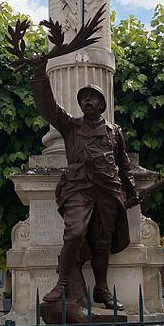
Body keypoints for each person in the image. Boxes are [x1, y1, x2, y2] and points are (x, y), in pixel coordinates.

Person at [31, 58, 140, 309]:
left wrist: (132, 191)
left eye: (93, 97)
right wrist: (40, 74)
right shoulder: (70, 126)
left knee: (103, 243)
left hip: (108, 190)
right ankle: (63, 283)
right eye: (84, 98)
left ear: (102, 104)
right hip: (79, 188)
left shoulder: (114, 131)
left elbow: (123, 164)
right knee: (75, 233)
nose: (87, 101)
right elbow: (48, 107)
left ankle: (101, 289)